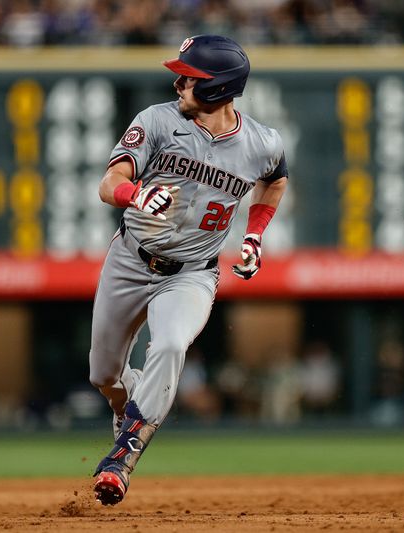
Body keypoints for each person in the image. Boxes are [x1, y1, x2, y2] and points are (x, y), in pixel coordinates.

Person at [88, 34, 289, 506]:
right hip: (130, 259)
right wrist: (134, 194)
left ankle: (124, 456)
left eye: (191, 78)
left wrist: (254, 235)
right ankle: (131, 403)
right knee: (103, 376)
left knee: (173, 343)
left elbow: (274, 182)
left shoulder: (263, 143)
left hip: (192, 273)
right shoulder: (156, 121)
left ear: (218, 89)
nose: (178, 83)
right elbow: (109, 181)